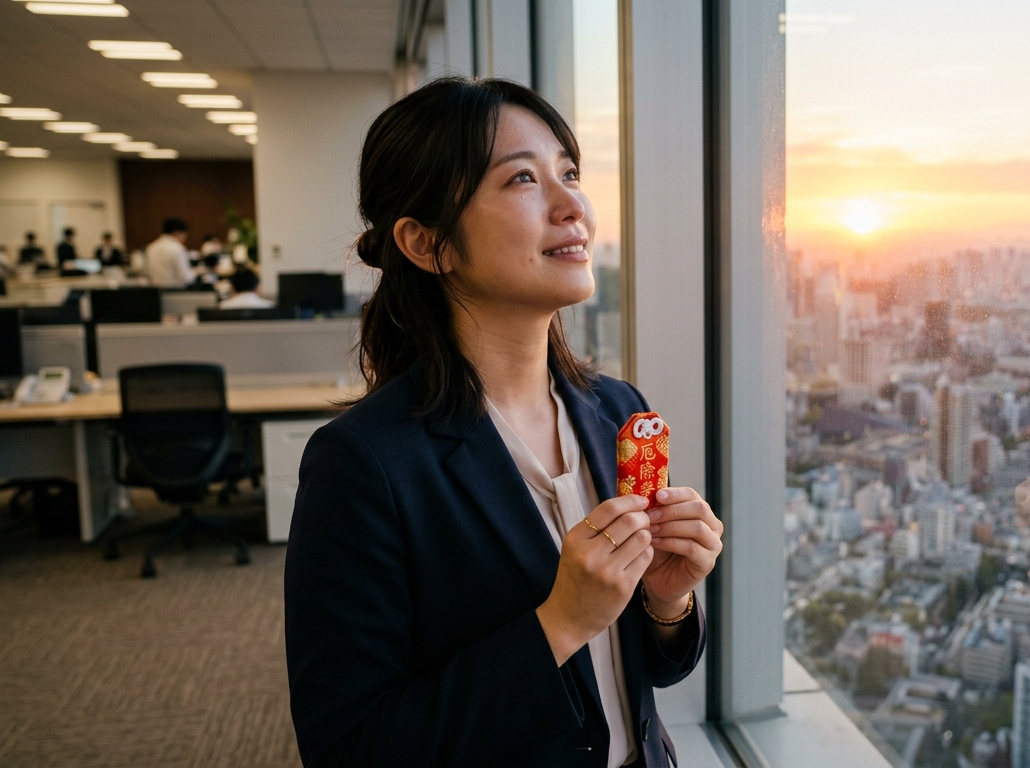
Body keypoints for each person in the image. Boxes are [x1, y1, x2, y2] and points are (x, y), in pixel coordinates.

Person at [284, 77, 722, 768]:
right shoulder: (364, 464)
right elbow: (349, 748)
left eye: (569, 173)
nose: (572, 203)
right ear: (428, 244)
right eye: (522, 178)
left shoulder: (618, 410)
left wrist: (667, 603)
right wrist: (558, 623)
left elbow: (643, 677)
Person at [145, 217, 195, 288]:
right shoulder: (177, 248)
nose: (185, 239)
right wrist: (194, 272)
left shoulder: (151, 247)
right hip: (175, 293)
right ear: (177, 233)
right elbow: (186, 278)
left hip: (156, 292)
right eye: (185, 235)